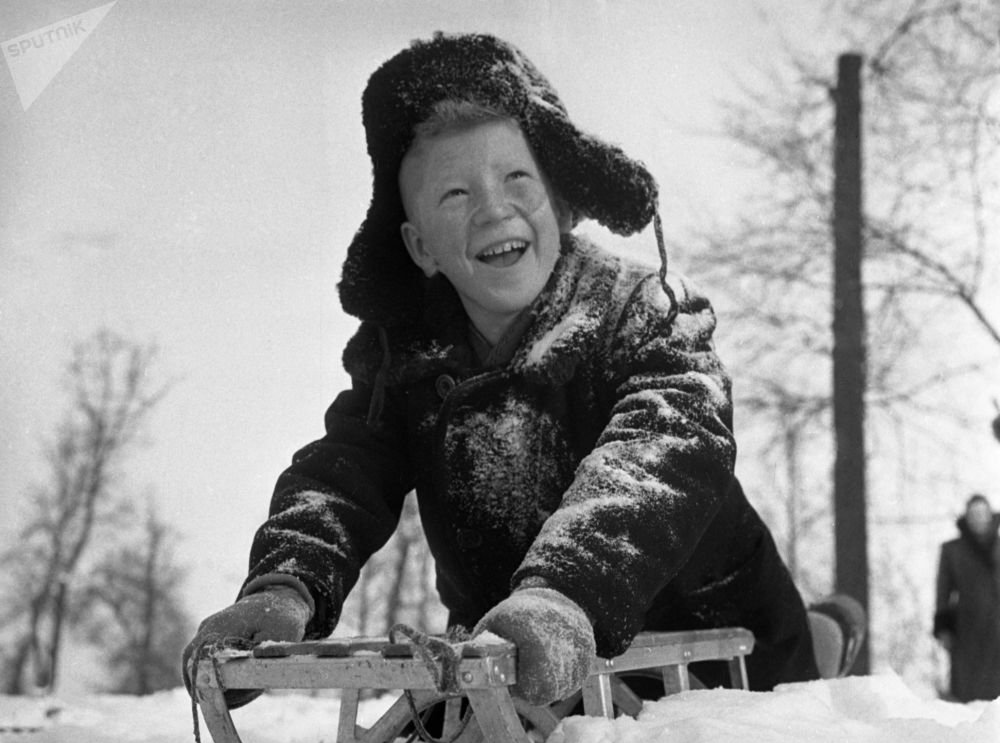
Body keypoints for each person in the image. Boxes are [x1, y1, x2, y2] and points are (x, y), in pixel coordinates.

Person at [185, 31, 847, 708]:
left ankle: (820, 638)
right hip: (522, 657)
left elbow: (664, 449)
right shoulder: (407, 363)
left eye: (515, 179)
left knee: (768, 717)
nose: (493, 208)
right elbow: (341, 476)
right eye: (454, 195)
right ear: (420, 247)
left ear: (558, 201)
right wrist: (286, 582)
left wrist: (565, 589)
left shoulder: (642, 314)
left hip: (707, 643)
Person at [933, 494, 1000, 701]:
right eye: (974, 514)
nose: (978, 519)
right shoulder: (952, 550)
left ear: (990, 516)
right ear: (967, 517)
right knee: (967, 692)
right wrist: (943, 627)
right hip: (967, 628)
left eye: (982, 513)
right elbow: (943, 591)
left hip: (998, 626)